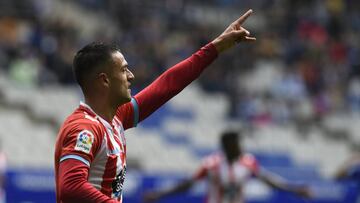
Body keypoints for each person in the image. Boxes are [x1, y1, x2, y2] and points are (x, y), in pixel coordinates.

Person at [54, 9, 257, 203]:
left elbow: (167, 85)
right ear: (104, 80)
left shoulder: (115, 119)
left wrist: (216, 47)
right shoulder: (84, 128)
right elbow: (71, 186)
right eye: (124, 70)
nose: (131, 76)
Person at [143, 131, 311, 203]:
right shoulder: (212, 164)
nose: (240, 146)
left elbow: (268, 180)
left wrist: (294, 189)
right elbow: (188, 183)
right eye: (236, 143)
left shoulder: (248, 162)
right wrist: (160, 194)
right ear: (227, 145)